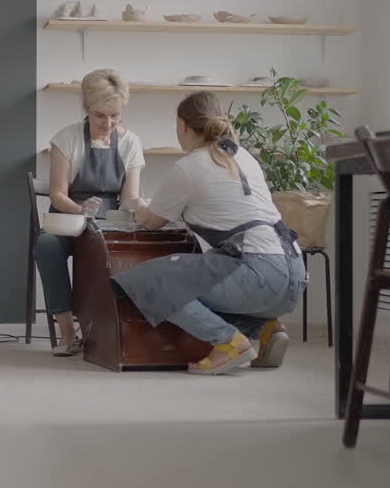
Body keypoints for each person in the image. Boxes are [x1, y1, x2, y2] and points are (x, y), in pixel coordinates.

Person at [114, 91, 307, 375]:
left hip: (257, 274)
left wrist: (138, 204)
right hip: (294, 274)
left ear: (183, 125)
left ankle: (229, 343)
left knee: (150, 280)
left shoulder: (188, 166)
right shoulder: (244, 156)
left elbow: (151, 222)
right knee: (202, 283)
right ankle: (267, 329)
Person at [34, 69, 146, 355]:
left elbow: (129, 198)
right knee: (46, 245)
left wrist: (142, 207)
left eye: (115, 116)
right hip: (69, 218)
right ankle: (67, 335)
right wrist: (81, 211)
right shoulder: (67, 138)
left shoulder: (131, 143)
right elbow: (58, 194)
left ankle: (115, 332)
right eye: (100, 116)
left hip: (110, 222)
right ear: (85, 107)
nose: (108, 123)